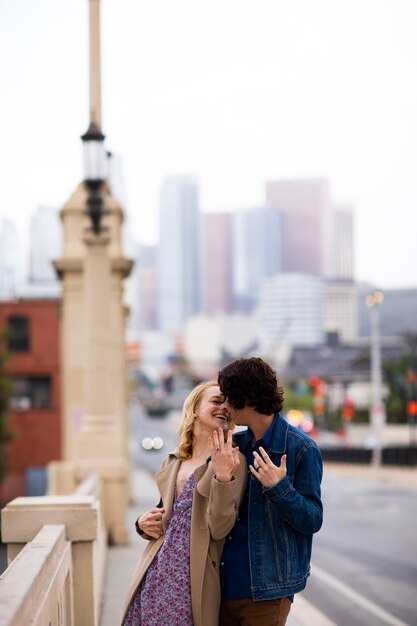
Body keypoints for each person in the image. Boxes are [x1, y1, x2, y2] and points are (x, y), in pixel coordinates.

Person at [121, 381, 247, 626]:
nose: (224, 407)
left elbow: (220, 528)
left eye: (228, 403)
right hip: (155, 572)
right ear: (195, 409)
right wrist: (141, 523)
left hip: (190, 579)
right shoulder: (173, 462)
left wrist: (223, 478)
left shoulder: (232, 459)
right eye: (216, 400)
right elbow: (165, 516)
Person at [217, 357, 323, 626]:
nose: (225, 406)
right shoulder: (234, 446)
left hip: (267, 593)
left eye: (229, 398)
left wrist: (280, 488)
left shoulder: (301, 449)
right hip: (222, 587)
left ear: (249, 398)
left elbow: (312, 519)